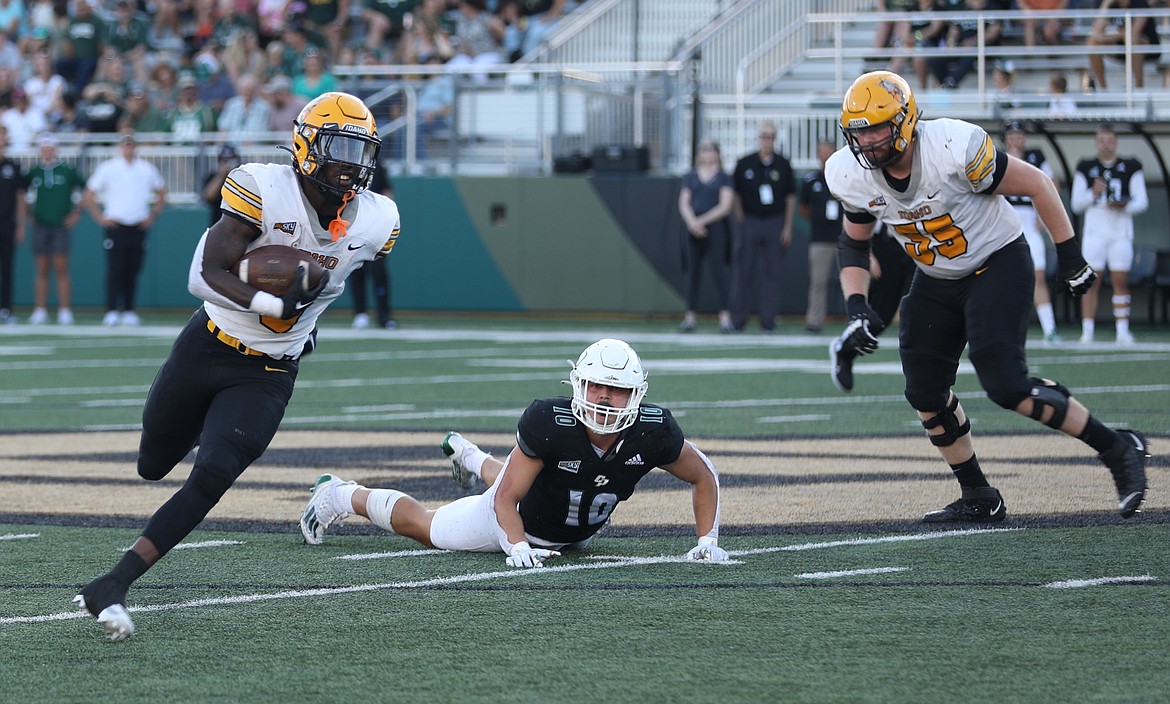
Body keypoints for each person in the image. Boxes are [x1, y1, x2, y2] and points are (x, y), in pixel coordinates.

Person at [73, 92, 401, 642]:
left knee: (215, 473)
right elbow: (203, 275)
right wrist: (273, 302)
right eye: (339, 146)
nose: (350, 161)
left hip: (269, 371)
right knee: (153, 464)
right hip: (209, 341)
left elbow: (325, 282)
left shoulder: (378, 220)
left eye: (358, 149)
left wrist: (304, 320)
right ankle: (207, 418)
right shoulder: (261, 186)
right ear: (306, 146)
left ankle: (114, 583)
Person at [825, 70, 1150, 525]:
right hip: (935, 277)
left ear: (905, 121)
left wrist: (1070, 257)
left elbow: (1037, 183)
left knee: (1006, 385)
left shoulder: (953, 148)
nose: (868, 142)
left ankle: (1119, 449)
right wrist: (856, 307)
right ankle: (979, 494)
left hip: (996, 263)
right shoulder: (849, 174)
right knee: (924, 391)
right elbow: (854, 243)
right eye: (859, 132)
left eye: (876, 128)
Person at [299, 338, 728, 570]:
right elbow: (506, 498)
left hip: (570, 526)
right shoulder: (549, 421)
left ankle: (466, 454)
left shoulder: (653, 431)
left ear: (636, 395)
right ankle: (339, 494)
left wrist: (706, 540)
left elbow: (703, 475)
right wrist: (516, 543)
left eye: (615, 389)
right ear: (578, 385)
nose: (603, 398)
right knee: (425, 526)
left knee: (528, 476)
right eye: (595, 385)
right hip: (510, 520)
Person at [1070, 123, 1148, 345]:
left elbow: (1142, 201)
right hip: (1095, 233)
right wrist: (1092, 194)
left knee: (1120, 280)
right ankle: (1087, 331)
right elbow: (1076, 204)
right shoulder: (1086, 167)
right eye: (1102, 140)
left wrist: (1125, 206)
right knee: (1092, 281)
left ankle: (1122, 330)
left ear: (1116, 142)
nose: (1106, 144)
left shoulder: (1131, 166)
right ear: (1096, 142)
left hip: (1120, 232)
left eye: (1110, 140)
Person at [82, 131, 167, 327]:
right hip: (116, 225)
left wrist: (153, 215)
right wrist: (99, 217)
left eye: (131, 145)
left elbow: (162, 191)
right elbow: (90, 193)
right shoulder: (109, 168)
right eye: (125, 145)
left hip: (138, 225)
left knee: (133, 269)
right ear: (121, 147)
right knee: (115, 269)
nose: (128, 148)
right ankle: (111, 310)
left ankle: (129, 310)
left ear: (135, 147)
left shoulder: (145, 168)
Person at [729, 120, 796, 334]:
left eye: (771, 136)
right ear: (758, 138)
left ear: (775, 139)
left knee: (773, 273)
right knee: (744, 271)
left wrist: (787, 226)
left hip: (774, 221)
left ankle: (768, 322)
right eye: (764, 136)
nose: (767, 140)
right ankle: (738, 320)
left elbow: (790, 197)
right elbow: (735, 194)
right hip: (750, 220)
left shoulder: (783, 164)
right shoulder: (745, 163)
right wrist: (741, 218)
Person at [1001, 120, 1061, 344]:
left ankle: (1050, 328)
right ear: (1005, 138)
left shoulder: (1036, 156)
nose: (1016, 139)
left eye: (1019, 134)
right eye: (1012, 135)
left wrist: (1045, 211)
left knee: (1037, 274)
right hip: (1004, 219)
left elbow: (1052, 183)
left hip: (1028, 218)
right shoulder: (997, 156)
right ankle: (1001, 327)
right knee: (999, 277)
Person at [27, 135, 86, 326]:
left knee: (61, 268)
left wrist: (77, 212)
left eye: (50, 147)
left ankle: (65, 310)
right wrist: (28, 215)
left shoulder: (67, 170)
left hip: (60, 225)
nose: (47, 151)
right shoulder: (34, 171)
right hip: (41, 224)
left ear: (56, 149)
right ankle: (40, 310)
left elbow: (87, 189)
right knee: (42, 269)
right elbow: (21, 194)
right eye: (44, 147)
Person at [677, 138, 734, 334]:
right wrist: (692, 221)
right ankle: (690, 317)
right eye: (705, 149)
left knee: (719, 272)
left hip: (715, 228)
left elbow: (725, 206)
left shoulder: (724, 177)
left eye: (712, 149)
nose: (708, 153)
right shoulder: (691, 177)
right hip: (692, 230)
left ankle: (725, 318)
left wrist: (702, 221)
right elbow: (684, 202)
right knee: (692, 273)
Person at [799, 139, 843, 334]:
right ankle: (814, 320)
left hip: (845, 236)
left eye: (827, 150)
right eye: (821, 150)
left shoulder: (844, 175)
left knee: (854, 278)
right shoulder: (811, 180)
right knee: (818, 281)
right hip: (820, 238)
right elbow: (803, 208)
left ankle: (859, 319)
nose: (824, 154)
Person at [350, 161, 397, 329]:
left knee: (379, 274)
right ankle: (360, 313)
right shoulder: (348, 166)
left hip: (375, 229)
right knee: (355, 272)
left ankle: (384, 314)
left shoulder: (377, 167)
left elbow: (387, 193)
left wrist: (387, 219)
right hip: (354, 228)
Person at [1086, 0, 1161, 90]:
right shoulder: (1112, 5)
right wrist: (1105, 5)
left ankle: (1139, 88)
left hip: (1147, 49)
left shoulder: (1140, 3)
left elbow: (1133, 33)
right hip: (1122, 47)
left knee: (1133, 41)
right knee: (1092, 43)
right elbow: (1096, 33)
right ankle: (1103, 89)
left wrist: (1119, 35)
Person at [0, 125, 27, 325]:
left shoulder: (13, 166)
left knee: (7, 268)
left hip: (7, 222)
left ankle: (6, 309)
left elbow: (20, 197)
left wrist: (21, 225)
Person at [201, 144, 240, 229]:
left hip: (238, 226)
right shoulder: (213, 177)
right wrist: (221, 175)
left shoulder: (241, 177)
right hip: (218, 225)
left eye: (230, 160)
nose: (227, 164)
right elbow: (208, 197)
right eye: (224, 161)